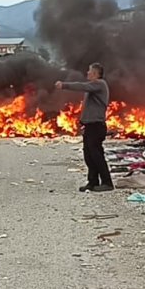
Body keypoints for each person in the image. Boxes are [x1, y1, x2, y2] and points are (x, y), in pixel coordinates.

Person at [55, 63, 113, 193]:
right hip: (89, 126)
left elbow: (82, 86)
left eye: (90, 71)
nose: (87, 73)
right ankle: (92, 182)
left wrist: (64, 85)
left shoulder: (100, 84)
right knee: (88, 155)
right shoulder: (93, 88)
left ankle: (107, 182)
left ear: (96, 74)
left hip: (96, 126)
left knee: (97, 155)